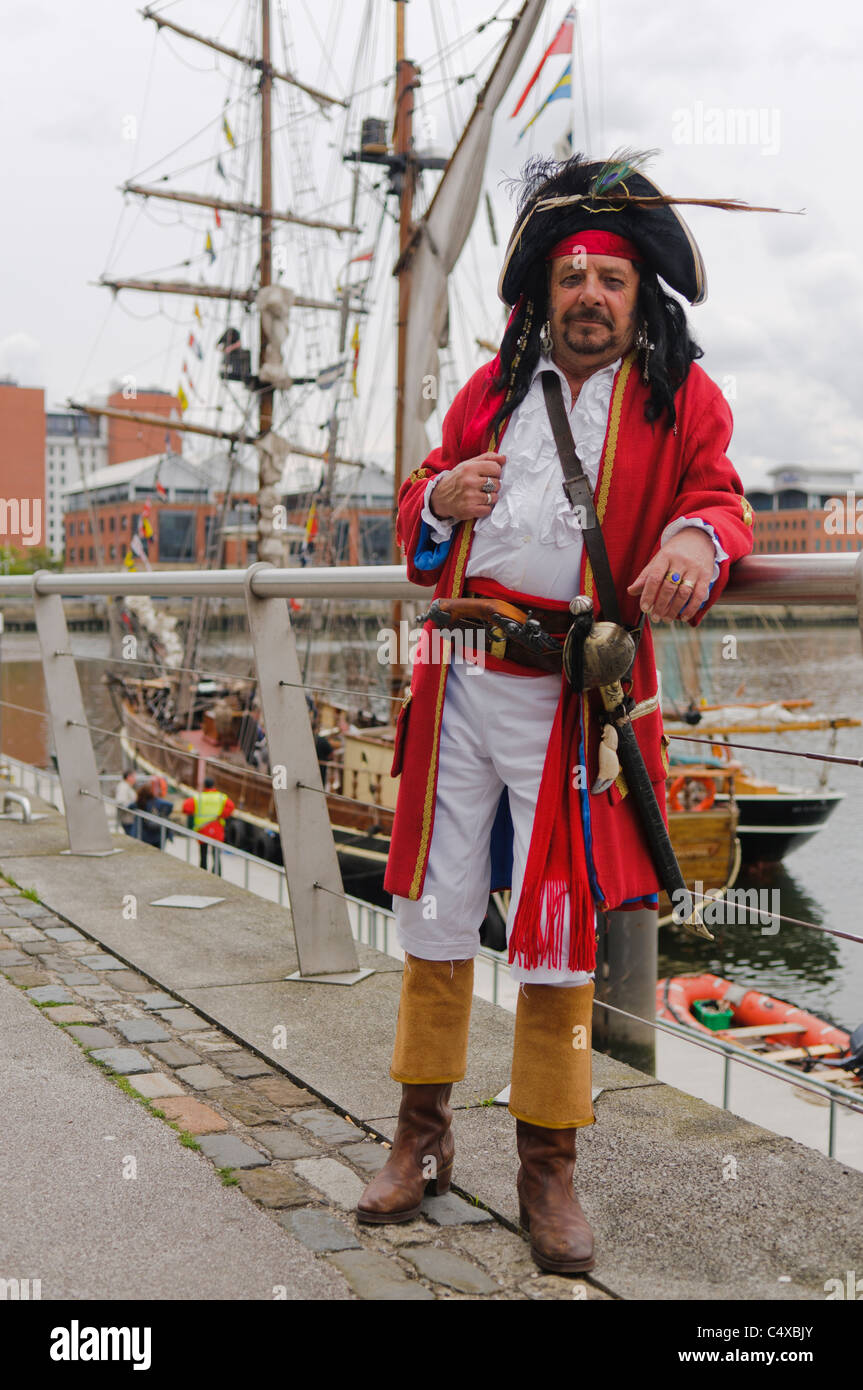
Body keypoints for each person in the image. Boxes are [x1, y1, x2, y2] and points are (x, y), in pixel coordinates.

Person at [356, 153, 758, 1273]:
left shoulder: (683, 397)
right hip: (455, 681)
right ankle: (418, 1136)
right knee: (436, 917)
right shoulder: (486, 394)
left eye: (610, 279)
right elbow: (415, 512)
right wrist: (439, 497)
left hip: (569, 702)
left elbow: (717, 499)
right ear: (542, 291)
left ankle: (548, 1168)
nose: (588, 294)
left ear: (640, 298)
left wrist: (692, 540)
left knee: (557, 939)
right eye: (571, 273)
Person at [182, 777, 234, 874]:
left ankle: (203, 873)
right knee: (216, 855)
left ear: (204, 786)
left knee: (203, 854)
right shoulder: (221, 797)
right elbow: (230, 807)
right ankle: (217, 875)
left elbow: (186, 808)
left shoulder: (198, 798)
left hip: (203, 829)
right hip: (217, 829)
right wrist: (221, 815)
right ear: (214, 785)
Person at [133, 780, 175, 848]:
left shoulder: (139, 803)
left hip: (146, 833)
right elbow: (170, 805)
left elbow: (129, 807)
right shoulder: (155, 801)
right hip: (158, 832)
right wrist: (164, 813)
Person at [114, 769, 138, 836]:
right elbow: (120, 801)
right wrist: (131, 805)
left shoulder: (127, 786)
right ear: (128, 777)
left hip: (130, 818)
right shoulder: (123, 786)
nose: (135, 779)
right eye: (134, 777)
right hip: (127, 819)